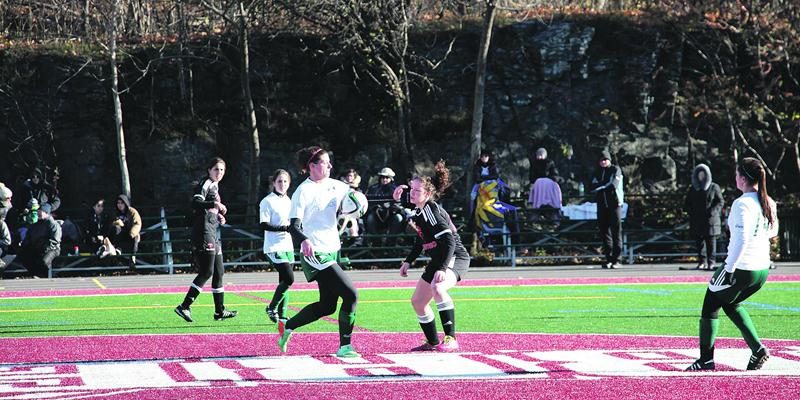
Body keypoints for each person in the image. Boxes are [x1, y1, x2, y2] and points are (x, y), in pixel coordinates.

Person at [686, 157, 778, 372]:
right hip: (762, 268)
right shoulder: (768, 201)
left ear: (743, 178)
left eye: (737, 174)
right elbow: (773, 231)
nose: (735, 178)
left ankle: (706, 360)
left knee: (710, 305)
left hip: (743, 267)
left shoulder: (742, 203)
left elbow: (742, 240)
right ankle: (757, 350)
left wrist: (729, 268)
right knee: (730, 302)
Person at [277, 145, 360, 358]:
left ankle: (288, 326)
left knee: (327, 306)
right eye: (325, 162)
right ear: (312, 166)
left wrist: (365, 202)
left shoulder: (338, 186)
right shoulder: (303, 191)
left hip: (333, 250)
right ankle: (345, 347)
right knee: (351, 294)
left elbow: (355, 201)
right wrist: (304, 240)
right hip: (315, 253)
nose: (330, 166)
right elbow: (293, 226)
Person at [393, 160, 470, 352]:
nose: (412, 193)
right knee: (418, 302)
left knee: (438, 287)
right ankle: (433, 342)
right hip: (439, 258)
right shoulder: (419, 211)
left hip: (455, 256)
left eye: (417, 191)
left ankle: (451, 338)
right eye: (411, 189)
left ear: (427, 194)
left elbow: (450, 242)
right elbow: (421, 239)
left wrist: (442, 268)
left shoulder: (431, 211)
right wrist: (408, 261)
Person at [175, 157, 237, 322]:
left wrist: (218, 217)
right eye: (216, 169)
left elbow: (208, 211)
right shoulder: (206, 183)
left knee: (219, 271)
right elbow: (196, 202)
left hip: (213, 232)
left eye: (222, 170)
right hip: (204, 233)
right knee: (207, 271)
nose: (219, 172)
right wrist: (215, 205)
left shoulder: (215, 186)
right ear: (209, 170)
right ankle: (184, 306)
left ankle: (219, 311)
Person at [259, 169, 295, 324]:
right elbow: (264, 224)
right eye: (279, 181)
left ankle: (282, 315)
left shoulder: (289, 200)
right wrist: (284, 228)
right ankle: (271, 307)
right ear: (274, 183)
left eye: (285, 181)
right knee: (289, 278)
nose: (282, 184)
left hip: (288, 245)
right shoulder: (267, 201)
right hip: (274, 246)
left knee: (284, 281)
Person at [680, 164, 723, 271]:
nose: (701, 176)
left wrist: (713, 211)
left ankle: (711, 262)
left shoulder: (714, 187)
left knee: (710, 242)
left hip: (710, 219)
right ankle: (702, 262)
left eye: (703, 174)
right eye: (699, 174)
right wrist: (690, 212)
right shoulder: (693, 189)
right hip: (697, 219)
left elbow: (720, 201)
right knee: (699, 242)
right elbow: (687, 203)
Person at [591, 149, 624, 269]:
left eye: (605, 159)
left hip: (614, 205)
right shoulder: (597, 172)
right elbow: (591, 186)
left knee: (616, 231)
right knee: (605, 233)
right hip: (602, 205)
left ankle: (617, 259)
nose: (603, 162)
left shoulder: (615, 169)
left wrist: (602, 185)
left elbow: (613, 184)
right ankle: (609, 259)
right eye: (601, 160)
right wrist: (603, 185)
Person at [16, 203, 61, 278]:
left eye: (41, 212)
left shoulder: (53, 224)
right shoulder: (34, 225)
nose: (38, 213)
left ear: (46, 213)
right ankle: (34, 274)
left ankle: (44, 276)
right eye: (38, 212)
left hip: (52, 249)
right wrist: (24, 245)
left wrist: (45, 248)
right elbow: (28, 237)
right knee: (23, 255)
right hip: (36, 247)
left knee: (43, 261)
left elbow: (55, 240)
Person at [364, 167, 406, 242]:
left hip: (392, 215)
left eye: (387, 177)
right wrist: (375, 208)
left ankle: (391, 241)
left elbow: (400, 203)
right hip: (376, 214)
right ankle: (376, 241)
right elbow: (368, 202)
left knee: (398, 218)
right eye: (383, 177)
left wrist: (392, 208)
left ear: (391, 178)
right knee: (370, 218)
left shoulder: (396, 189)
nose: (384, 179)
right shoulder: (373, 188)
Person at [104, 195, 141, 266]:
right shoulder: (114, 212)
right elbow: (109, 224)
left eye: (122, 203)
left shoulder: (132, 211)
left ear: (125, 203)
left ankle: (132, 257)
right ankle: (116, 252)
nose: (120, 205)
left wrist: (132, 233)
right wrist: (116, 223)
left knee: (135, 237)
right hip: (118, 234)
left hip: (130, 233)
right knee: (115, 229)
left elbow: (137, 224)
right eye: (118, 203)